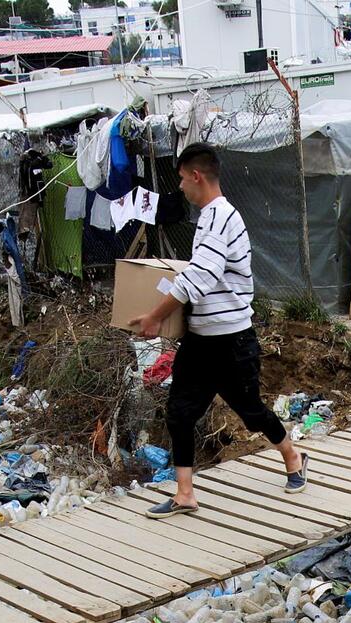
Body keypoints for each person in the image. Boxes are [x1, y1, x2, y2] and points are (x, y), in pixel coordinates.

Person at [130, 143, 308, 517]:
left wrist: (155, 317)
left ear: (196, 176)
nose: (179, 187)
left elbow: (201, 277)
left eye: (180, 178)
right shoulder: (208, 219)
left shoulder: (221, 218)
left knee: (252, 412)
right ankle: (184, 494)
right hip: (200, 340)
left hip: (231, 340)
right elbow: (199, 274)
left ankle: (293, 456)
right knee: (179, 412)